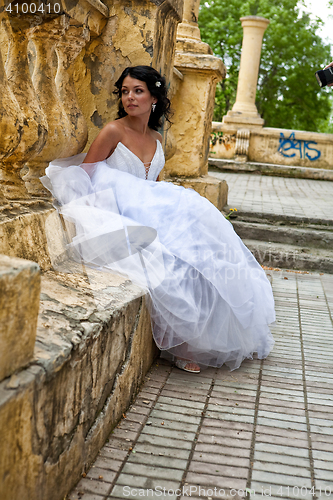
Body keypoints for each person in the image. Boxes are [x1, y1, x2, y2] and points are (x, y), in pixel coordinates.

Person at [41, 65, 275, 374]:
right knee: (168, 262)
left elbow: (153, 188)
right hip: (116, 213)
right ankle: (182, 345)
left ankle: (209, 335)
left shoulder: (156, 139)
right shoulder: (113, 131)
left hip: (146, 211)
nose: (130, 98)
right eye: (125, 91)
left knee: (202, 250)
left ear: (154, 97)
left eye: (138, 91)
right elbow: (83, 177)